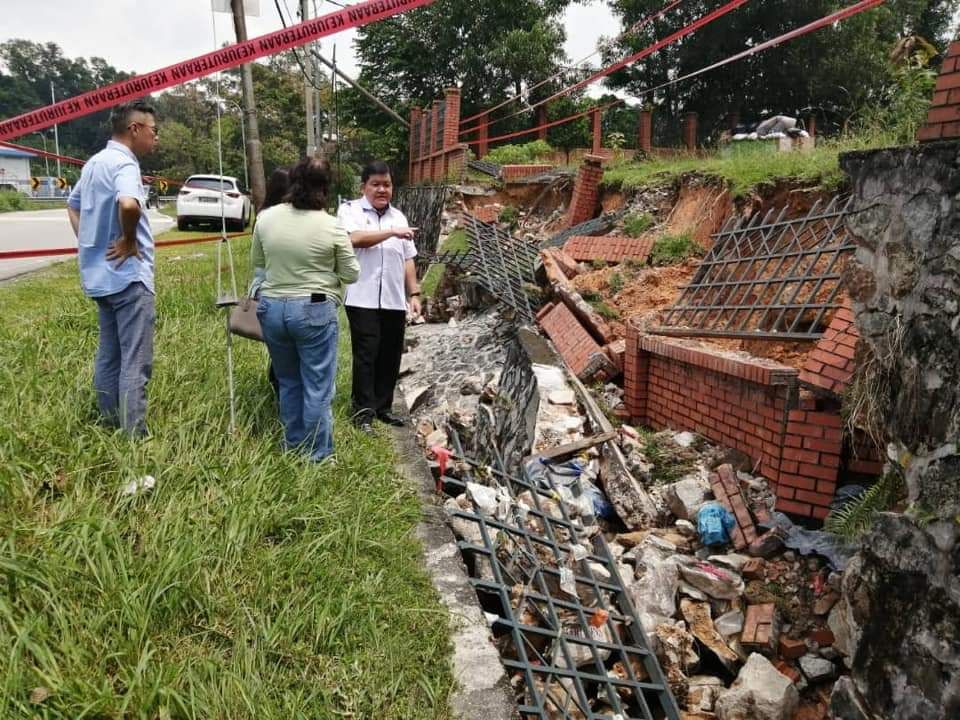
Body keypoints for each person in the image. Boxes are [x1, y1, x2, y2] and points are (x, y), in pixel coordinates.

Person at [251, 158, 359, 462]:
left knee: (288, 382)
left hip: (272, 309)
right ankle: (318, 454)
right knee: (317, 386)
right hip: (313, 310)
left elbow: (258, 265)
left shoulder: (266, 218)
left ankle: (293, 444)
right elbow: (351, 273)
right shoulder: (331, 224)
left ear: (294, 180)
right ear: (325, 187)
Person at [67, 99, 160, 436]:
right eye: (153, 131)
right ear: (134, 129)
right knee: (135, 361)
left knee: (109, 356)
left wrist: (88, 243)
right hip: (128, 278)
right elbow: (129, 204)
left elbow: (72, 205)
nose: (155, 138)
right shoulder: (124, 164)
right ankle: (135, 435)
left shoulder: (94, 163)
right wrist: (129, 242)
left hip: (100, 277)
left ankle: (109, 423)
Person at [337, 161, 420, 434]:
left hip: (394, 298)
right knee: (367, 353)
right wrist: (391, 233)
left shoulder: (399, 216)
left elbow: (408, 258)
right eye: (376, 184)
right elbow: (355, 239)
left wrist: (415, 292)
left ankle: (383, 407)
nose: (382, 189)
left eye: (387, 184)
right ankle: (362, 412)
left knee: (390, 353)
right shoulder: (350, 210)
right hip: (362, 296)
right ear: (364, 187)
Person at [254, 166, 293, 396]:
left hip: (269, 290)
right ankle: (280, 390)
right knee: (284, 350)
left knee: (280, 349)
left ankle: (278, 388)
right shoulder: (273, 218)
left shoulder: (262, 215)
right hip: (278, 289)